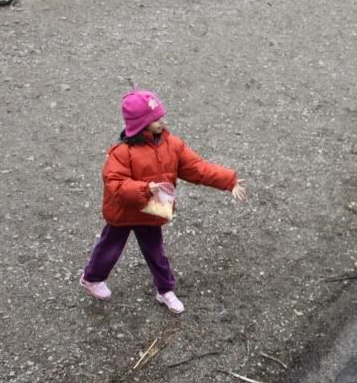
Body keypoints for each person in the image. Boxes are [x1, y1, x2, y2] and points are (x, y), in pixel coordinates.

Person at [79, 89, 246, 314]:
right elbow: (114, 183)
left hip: (151, 210)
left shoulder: (172, 145)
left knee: (156, 251)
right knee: (109, 247)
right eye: (155, 119)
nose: (162, 121)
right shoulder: (122, 152)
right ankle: (92, 278)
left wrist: (228, 180)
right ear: (140, 125)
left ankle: (165, 289)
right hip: (124, 211)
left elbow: (197, 168)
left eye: (160, 116)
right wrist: (143, 188)